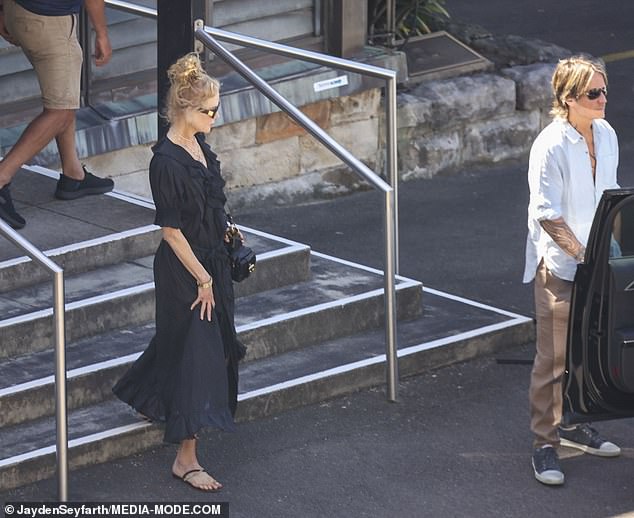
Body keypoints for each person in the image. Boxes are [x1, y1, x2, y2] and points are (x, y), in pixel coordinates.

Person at [113, 53, 246, 492]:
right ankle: (185, 459)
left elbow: (210, 204)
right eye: (208, 111)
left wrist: (228, 237)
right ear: (184, 110)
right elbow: (171, 231)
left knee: (189, 345)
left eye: (216, 109)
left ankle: (146, 395)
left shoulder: (199, 146)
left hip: (213, 260)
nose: (214, 117)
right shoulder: (166, 161)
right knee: (199, 359)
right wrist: (203, 279)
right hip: (185, 270)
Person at [523, 55, 621, 486]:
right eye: (593, 93)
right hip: (561, 266)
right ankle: (545, 443)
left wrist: (612, 252)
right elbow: (546, 213)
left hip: (599, 263)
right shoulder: (551, 145)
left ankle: (574, 424)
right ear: (567, 98)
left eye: (604, 90)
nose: (603, 99)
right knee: (554, 358)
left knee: (588, 351)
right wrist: (584, 254)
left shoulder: (607, 134)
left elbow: (611, 198)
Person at [0, 0, 114, 229]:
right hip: (48, 21)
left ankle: (73, 175)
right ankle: (2, 177)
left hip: (18, 11)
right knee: (60, 112)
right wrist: (101, 33)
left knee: (63, 95)